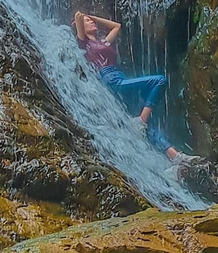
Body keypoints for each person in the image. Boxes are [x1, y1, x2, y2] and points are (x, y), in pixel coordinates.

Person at [73, 10, 201, 169]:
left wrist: (94, 17)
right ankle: (141, 121)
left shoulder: (104, 42)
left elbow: (117, 26)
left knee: (147, 126)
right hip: (110, 81)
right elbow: (78, 16)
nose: (92, 22)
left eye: (91, 20)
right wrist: (82, 17)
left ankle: (175, 156)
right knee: (159, 81)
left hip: (119, 79)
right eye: (88, 21)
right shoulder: (84, 44)